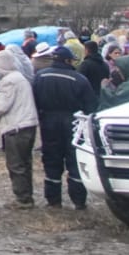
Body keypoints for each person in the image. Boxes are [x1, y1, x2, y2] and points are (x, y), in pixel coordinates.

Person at [34, 45, 97, 208]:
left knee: (51, 159)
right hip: (74, 123)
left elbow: (34, 100)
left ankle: (53, 199)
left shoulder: (40, 76)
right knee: (74, 160)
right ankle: (78, 200)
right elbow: (91, 106)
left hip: (48, 122)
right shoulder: (79, 79)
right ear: (68, 60)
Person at [0, 48, 38, 208]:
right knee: (25, 162)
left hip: (16, 127)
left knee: (16, 164)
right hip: (28, 125)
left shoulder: (9, 81)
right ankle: (27, 195)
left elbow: (2, 104)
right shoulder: (20, 78)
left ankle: (22, 198)